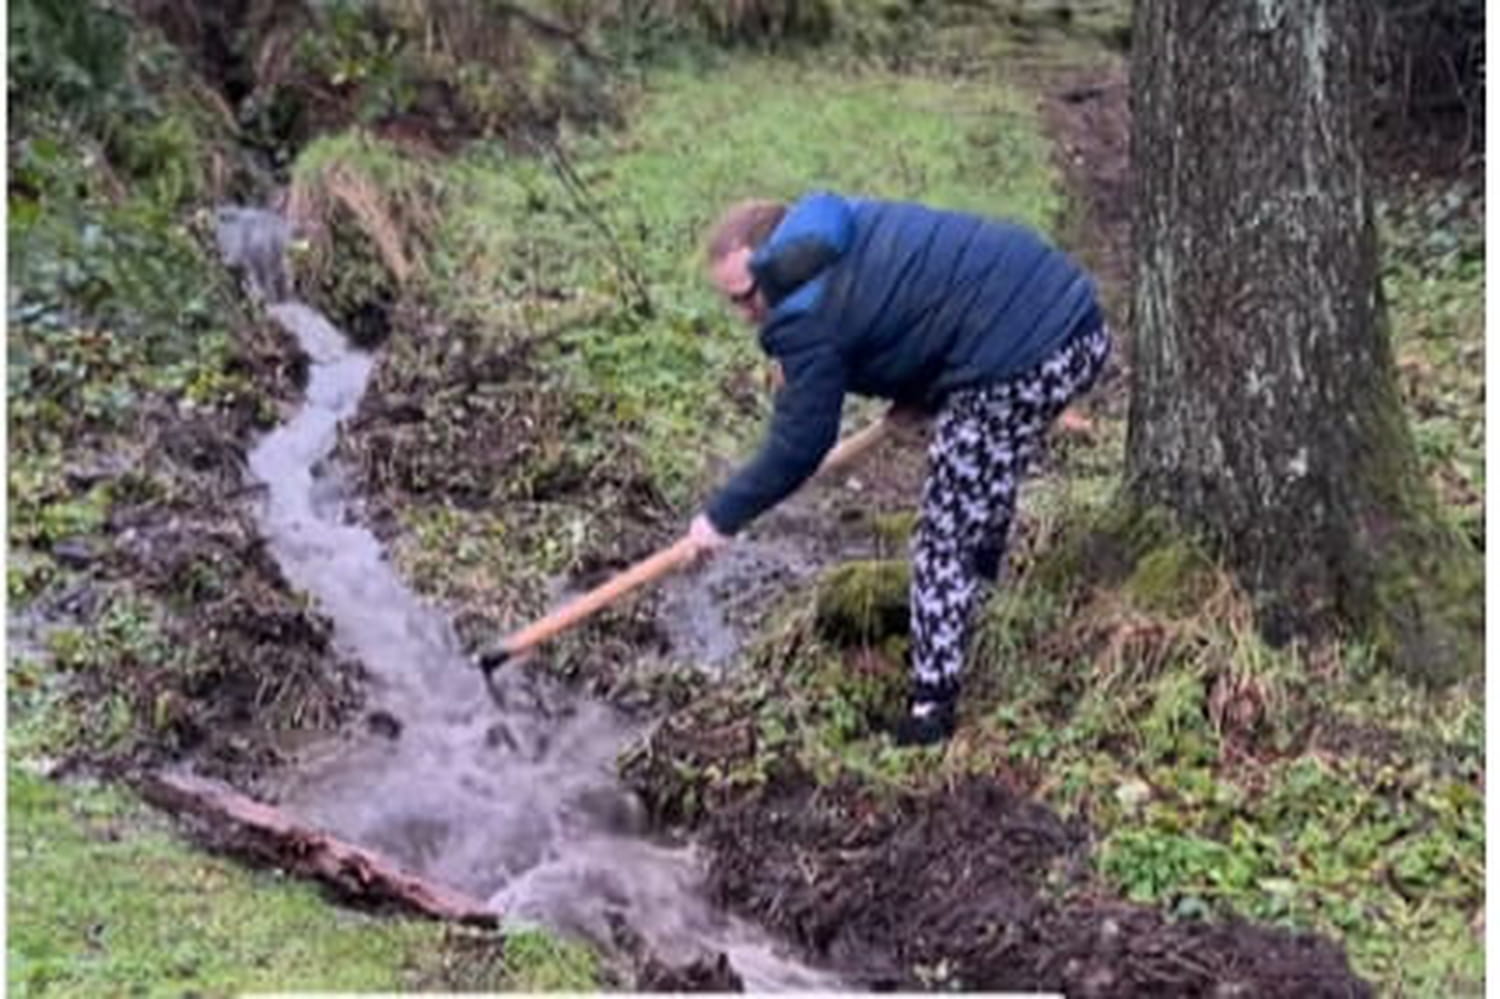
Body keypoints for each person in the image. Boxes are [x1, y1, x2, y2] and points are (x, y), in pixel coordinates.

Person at [681, 191, 1111, 746]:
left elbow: (800, 443)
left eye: (744, 297)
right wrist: (925, 386)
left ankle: (931, 709)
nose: (743, 315)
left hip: (1021, 356)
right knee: (984, 475)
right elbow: (921, 296)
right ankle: (977, 607)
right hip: (1075, 324)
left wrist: (720, 518)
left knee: (942, 534)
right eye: (730, 303)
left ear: (771, 264)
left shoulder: (802, 308)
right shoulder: (839, 229)